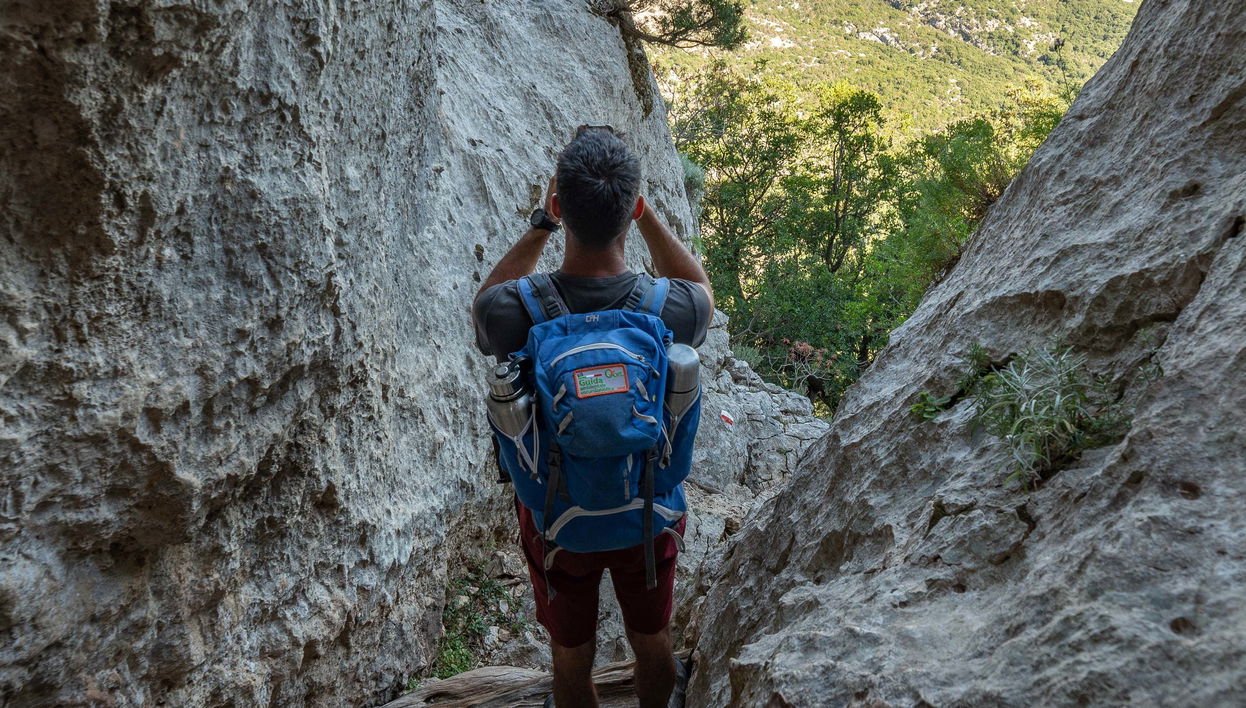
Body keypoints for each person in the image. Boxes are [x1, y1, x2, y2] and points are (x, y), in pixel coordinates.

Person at [472, 126, 714, 708]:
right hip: (647, 511)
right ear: (632, 210)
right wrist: (644, 214)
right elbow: (700, 288)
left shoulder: (516, 311)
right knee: (652, 641)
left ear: (560, 207)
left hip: (558, 519)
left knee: (571, 655)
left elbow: (484, 304)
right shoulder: (668, 307)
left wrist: (541, 223)